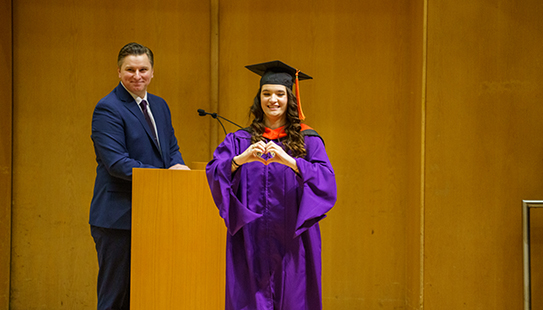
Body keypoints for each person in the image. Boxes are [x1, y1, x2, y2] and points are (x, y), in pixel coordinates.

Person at [206, 60, 337, 310]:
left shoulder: (308, 140)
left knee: (294, 298)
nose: (273, 100)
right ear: (259, 98)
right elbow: (214, 171)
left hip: (292, 239)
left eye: (279, 94)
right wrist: (241, 158)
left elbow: (326, 180)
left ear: (290, 98)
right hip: (250, 238)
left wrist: (291, 161)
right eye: (267, 93)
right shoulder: (240, 140)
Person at [89, 42, 189, 310]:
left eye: (143, 69)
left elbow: (171, 149)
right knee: (116, 298)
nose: (137, 76)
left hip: (155, 216)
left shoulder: (159, 105)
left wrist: (178, 168)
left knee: (148, 295)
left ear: (153, 72)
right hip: (118, 219)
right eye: (130, 70)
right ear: (119, 72)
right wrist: (165, 177)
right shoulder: (108, 108)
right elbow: (116, 163)